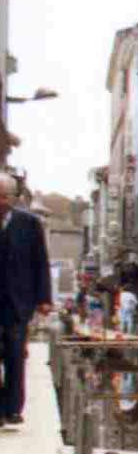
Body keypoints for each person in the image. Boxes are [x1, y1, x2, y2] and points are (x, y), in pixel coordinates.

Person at [0, 172, 52, 427]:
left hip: (18, 301)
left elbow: (40, 262)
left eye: (3, 196)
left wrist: (44, 298)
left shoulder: (30, 223)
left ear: (12, 198)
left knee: (14, 354)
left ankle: (12, 408)